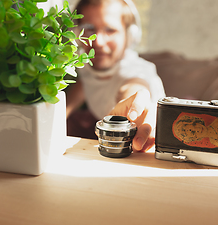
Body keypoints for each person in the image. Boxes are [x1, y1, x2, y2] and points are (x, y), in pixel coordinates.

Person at [66, 0, 165, 152]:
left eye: (110, 30)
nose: (98, 41)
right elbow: (82, 88)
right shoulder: (85, 68)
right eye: (89, 28)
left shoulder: (139, 70)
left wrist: (136, 102)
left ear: (129, 35)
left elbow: (134, 87)